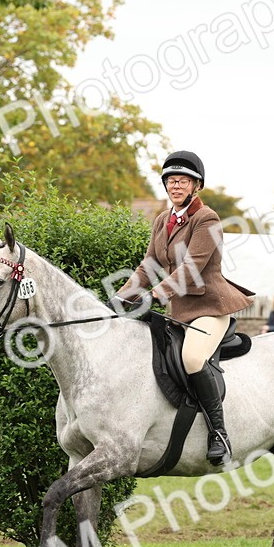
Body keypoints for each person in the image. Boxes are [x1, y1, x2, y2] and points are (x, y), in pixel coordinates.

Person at [113, 150, 255, 466]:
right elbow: (149, 265)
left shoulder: (207, 219)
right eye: (171, 181)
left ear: (196, 186)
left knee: (192, 357)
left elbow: (192, 268)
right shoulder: (162, 220)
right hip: (179, 312)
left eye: (183, 181)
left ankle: (219, 433)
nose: (176, 186)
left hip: (209, 307)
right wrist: (121, 297)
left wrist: (155, 295)